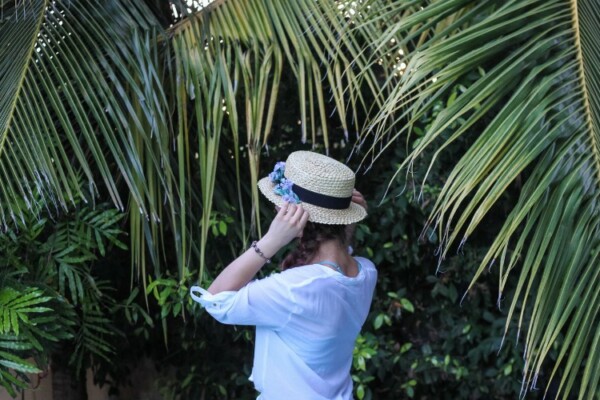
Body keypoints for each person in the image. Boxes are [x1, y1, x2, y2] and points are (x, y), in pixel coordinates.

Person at [190, 151, 377, 400]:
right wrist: (348, 226)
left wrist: (269, 242)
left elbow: (216, 299)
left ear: (296, 215)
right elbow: (339, 262)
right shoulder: (366, 272)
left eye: (280, 201)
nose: (276, 207)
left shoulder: (295, 289)